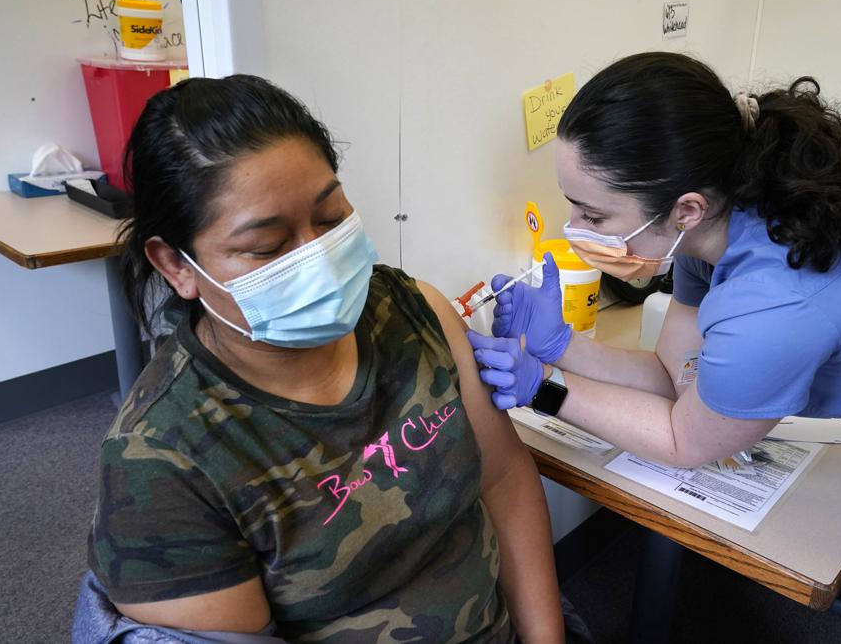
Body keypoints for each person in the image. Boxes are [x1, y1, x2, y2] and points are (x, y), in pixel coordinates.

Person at [468, 52, 841, 643]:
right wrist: (565, 347)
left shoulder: (772, 303)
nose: (575, 228)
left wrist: (545, 388)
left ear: (686, 208)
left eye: (595, 214)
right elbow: (674, 374)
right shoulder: (715, 223)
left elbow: (686, 438)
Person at [81, 75, 564, 643]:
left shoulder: (415, 312)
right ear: (177, 266)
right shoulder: (163, 465)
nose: (319, 261)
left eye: (331, 218)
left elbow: (504, 479)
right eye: (268, 246)